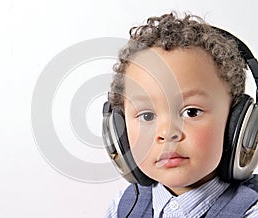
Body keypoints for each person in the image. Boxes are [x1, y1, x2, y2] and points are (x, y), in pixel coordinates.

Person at [103, 12, 258, 217]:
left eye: (191, 112)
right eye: (147, 116)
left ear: (239, 124)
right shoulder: (122, 207)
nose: (167, 133)